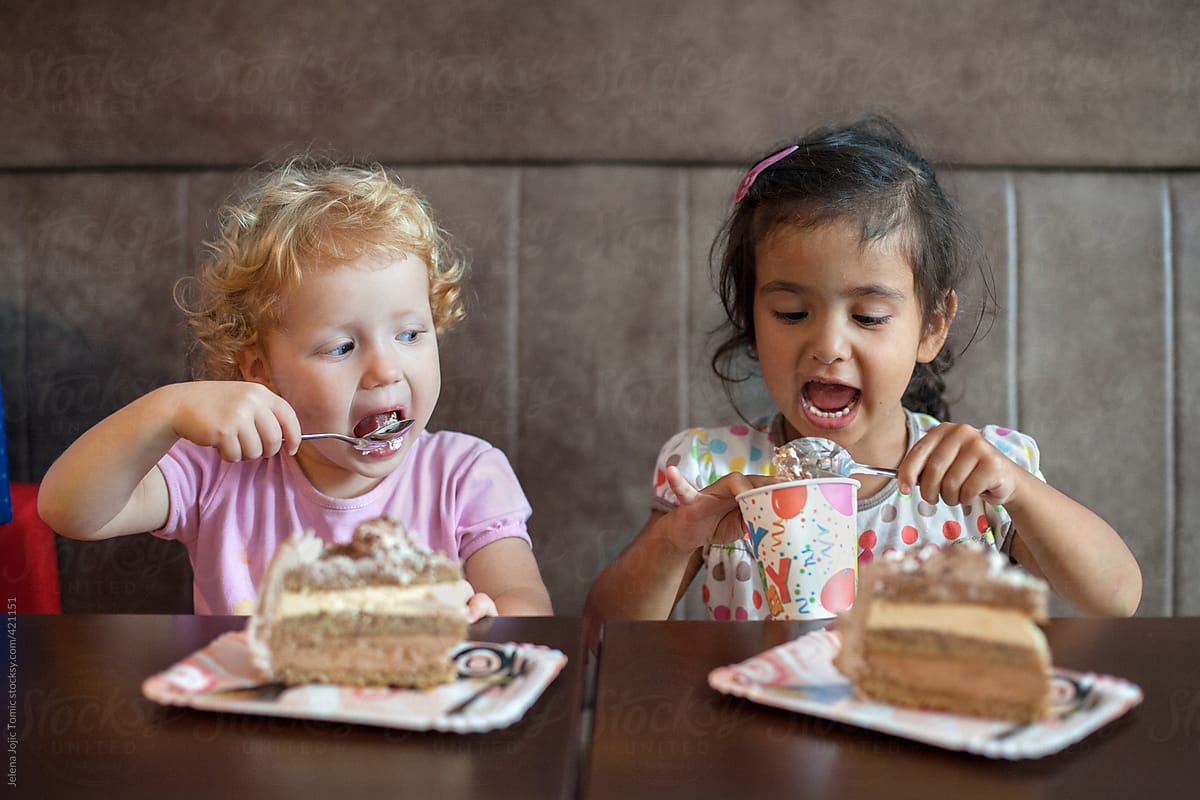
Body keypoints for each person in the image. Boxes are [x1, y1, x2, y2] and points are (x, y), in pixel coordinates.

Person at [586, 116, 1141, 627]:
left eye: (868, 317)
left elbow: (1115, 597)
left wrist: (1018, 490)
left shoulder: (979, 479)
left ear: (932, 326)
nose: (828, 345)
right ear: (751, 315)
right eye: (791, 313)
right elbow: (602, 638)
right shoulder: (710, 471)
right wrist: (676, 539)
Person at [39, 159, 552, 619]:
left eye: (410, 334)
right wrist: (165, 409)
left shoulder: (465, 476)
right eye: (342, 348)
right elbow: (69, 510)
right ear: (260, 370)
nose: (385, 370)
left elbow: (526, 604)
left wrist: (488, 617)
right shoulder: (219, 474)